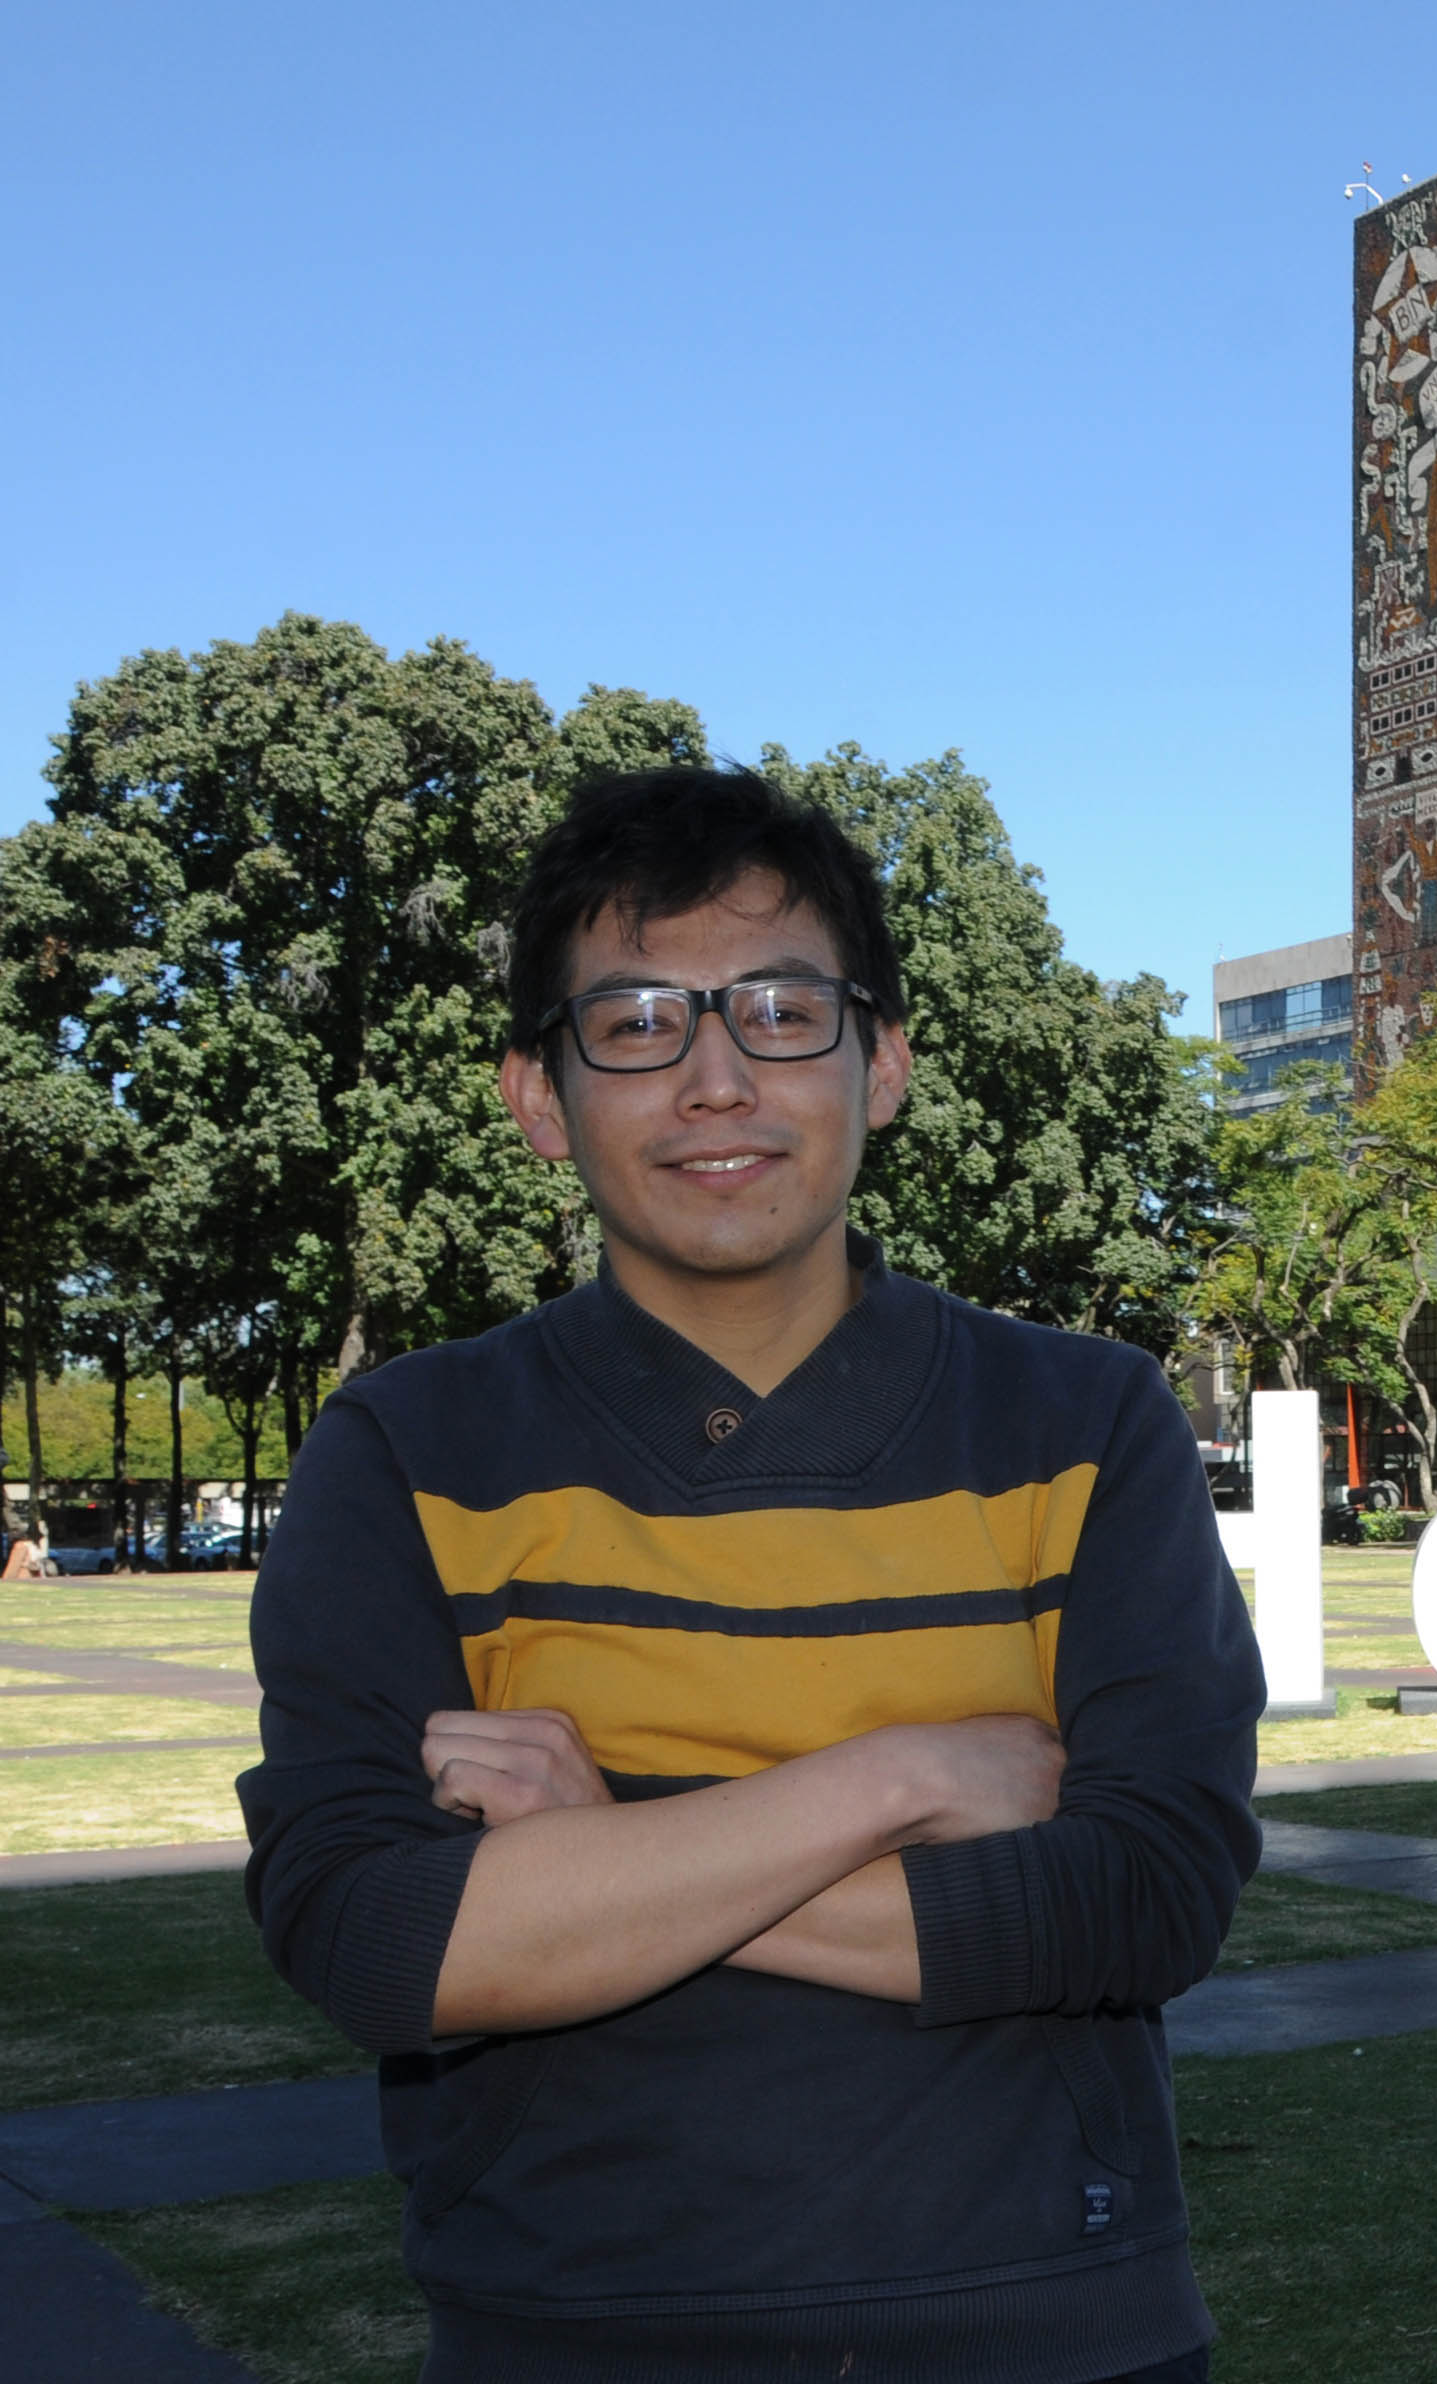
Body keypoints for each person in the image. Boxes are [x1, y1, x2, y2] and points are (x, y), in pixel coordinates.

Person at [239, 767, 1264, 2383]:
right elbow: (378, 1938)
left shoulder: (1082, 1421)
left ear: (885, 1062)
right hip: (568, 2338)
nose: (716, 1079)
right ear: (536, 1096)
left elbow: (1140, 1900)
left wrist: (598, 1866)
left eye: (780, 1010)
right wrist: (896, 1779)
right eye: (638, 1022)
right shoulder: (405, 1450)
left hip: (1057, 2330)